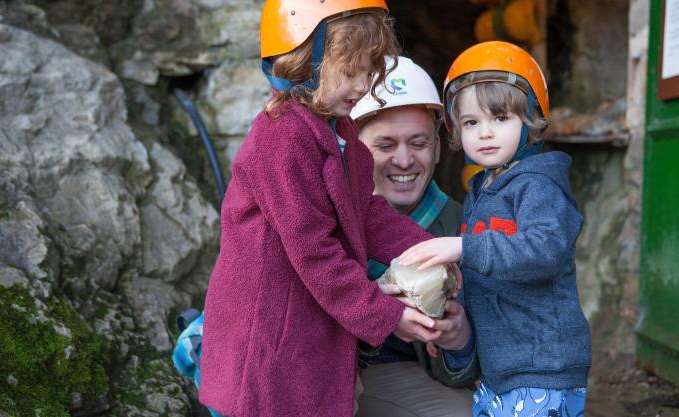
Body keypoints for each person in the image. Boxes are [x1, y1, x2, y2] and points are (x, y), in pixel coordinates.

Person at [197, 2, 445, 416]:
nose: (362, 85)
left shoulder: (340, 130)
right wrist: (383, 314)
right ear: (302, 63)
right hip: (266, 343)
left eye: (369, 72)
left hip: (302, 333)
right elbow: (313, 250)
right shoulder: (282, 136)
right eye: (350, 72)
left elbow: (366, 213)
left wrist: (429, 250)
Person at [400, 41, 591, 417]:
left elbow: (543, 251)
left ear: (532, 118)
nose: (485, 133)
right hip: (501, 370)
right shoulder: (483, 191)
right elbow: (485, 275)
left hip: (541, 367)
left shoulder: (539, 185)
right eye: (472, 122)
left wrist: (464, 248)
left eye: (500, 118)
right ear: (456, 129)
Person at [350, 55, 478, 417]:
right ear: (354, 150)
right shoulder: (328, 218)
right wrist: (369, 312)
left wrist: (460, 339)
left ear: (437, 148)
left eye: (418, 143)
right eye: (385, 145)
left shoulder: (465, 228)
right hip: (324, 370)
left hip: (406, 379)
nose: (404, 160)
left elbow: (482, 362)